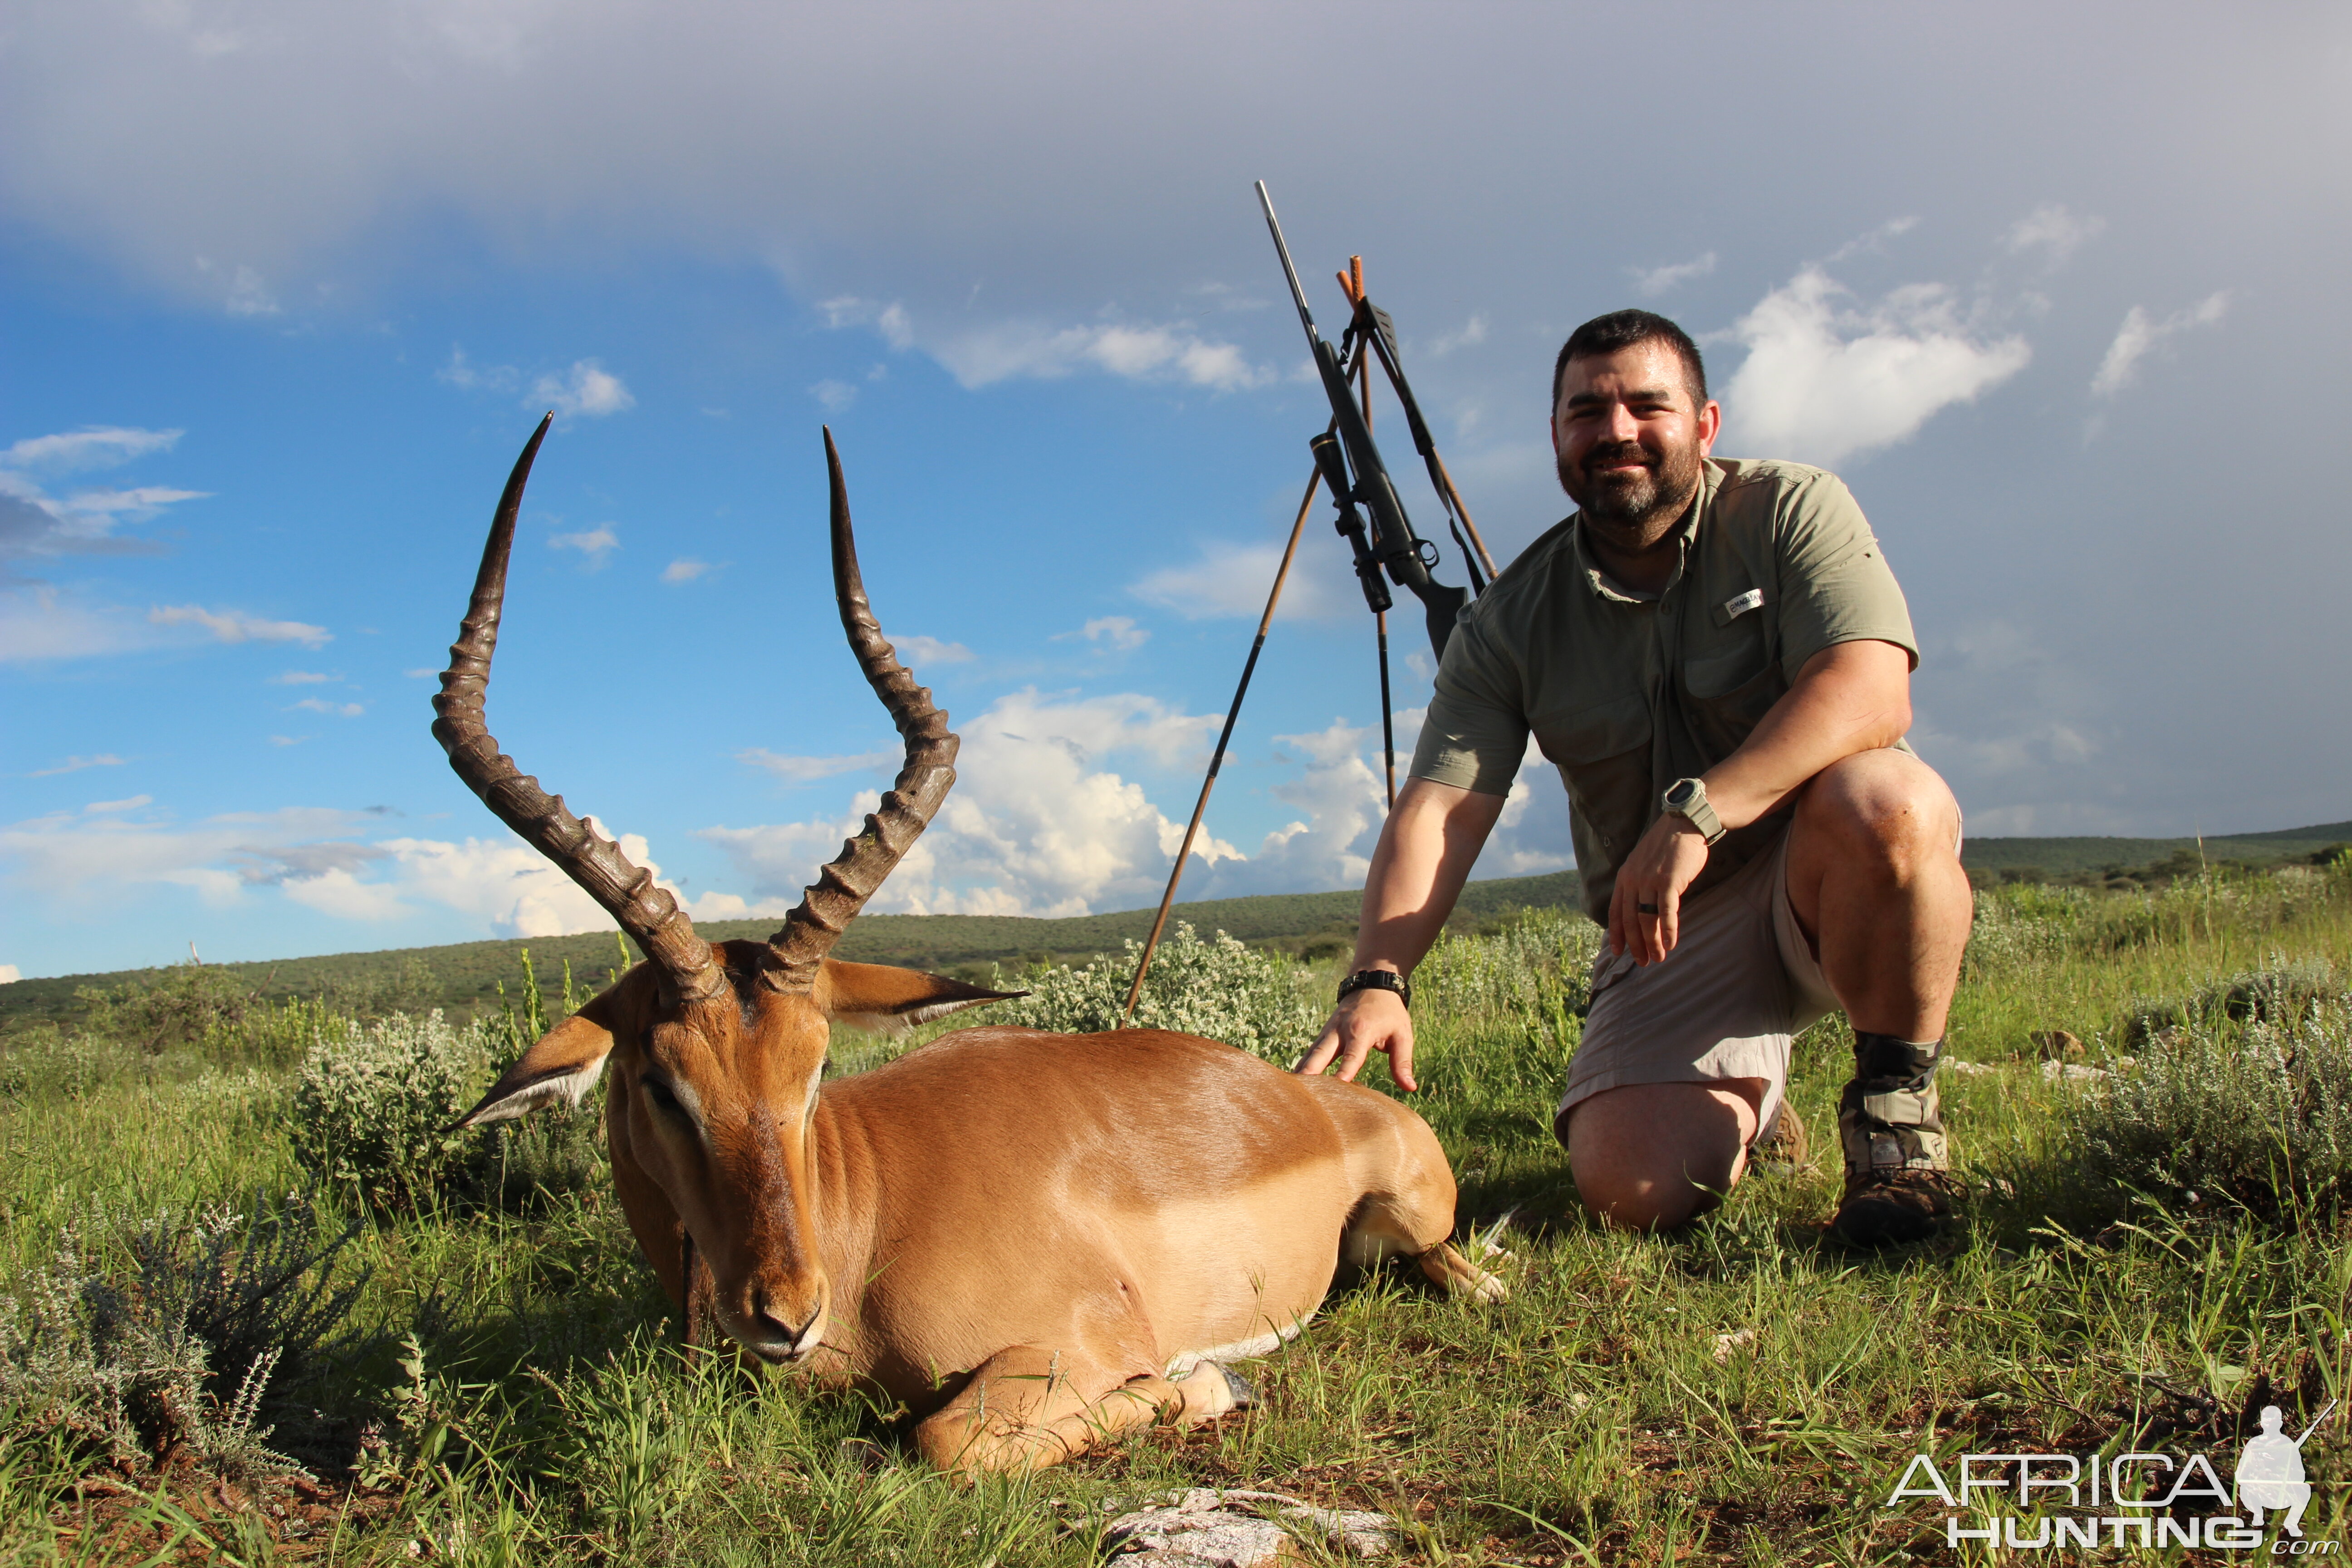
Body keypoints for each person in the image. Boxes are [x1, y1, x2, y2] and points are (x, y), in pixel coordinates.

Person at [1296, 308, 1974, 1245]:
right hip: (1668, 930)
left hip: (1825, 874)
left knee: (1891, 801)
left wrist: (1695, 817)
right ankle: (1757, 1102)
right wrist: (1379, 975)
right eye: (1587, 412)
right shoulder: (1510, 621)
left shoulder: (1791, 508)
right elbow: (1442, 808)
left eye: (1646, 406)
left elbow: (1870, 691)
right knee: (1631, 1188)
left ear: (1705, 424)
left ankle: (1897, 1126)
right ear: (1557, 438)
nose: (1615, 430)